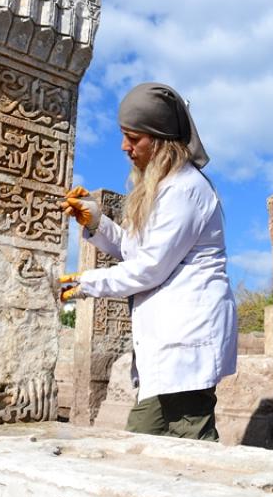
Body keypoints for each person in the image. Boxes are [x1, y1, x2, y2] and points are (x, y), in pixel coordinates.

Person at [58, 82, 237, 441]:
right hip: (167, 345)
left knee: (190, 445)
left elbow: (149, 267)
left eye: (133, 138)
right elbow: (136, 250)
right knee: (143, 442)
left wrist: (84, 283)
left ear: (159, 139)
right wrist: (96, 221)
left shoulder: (185, 190)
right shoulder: (164, 188)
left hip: (187, 340)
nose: (125, 147)